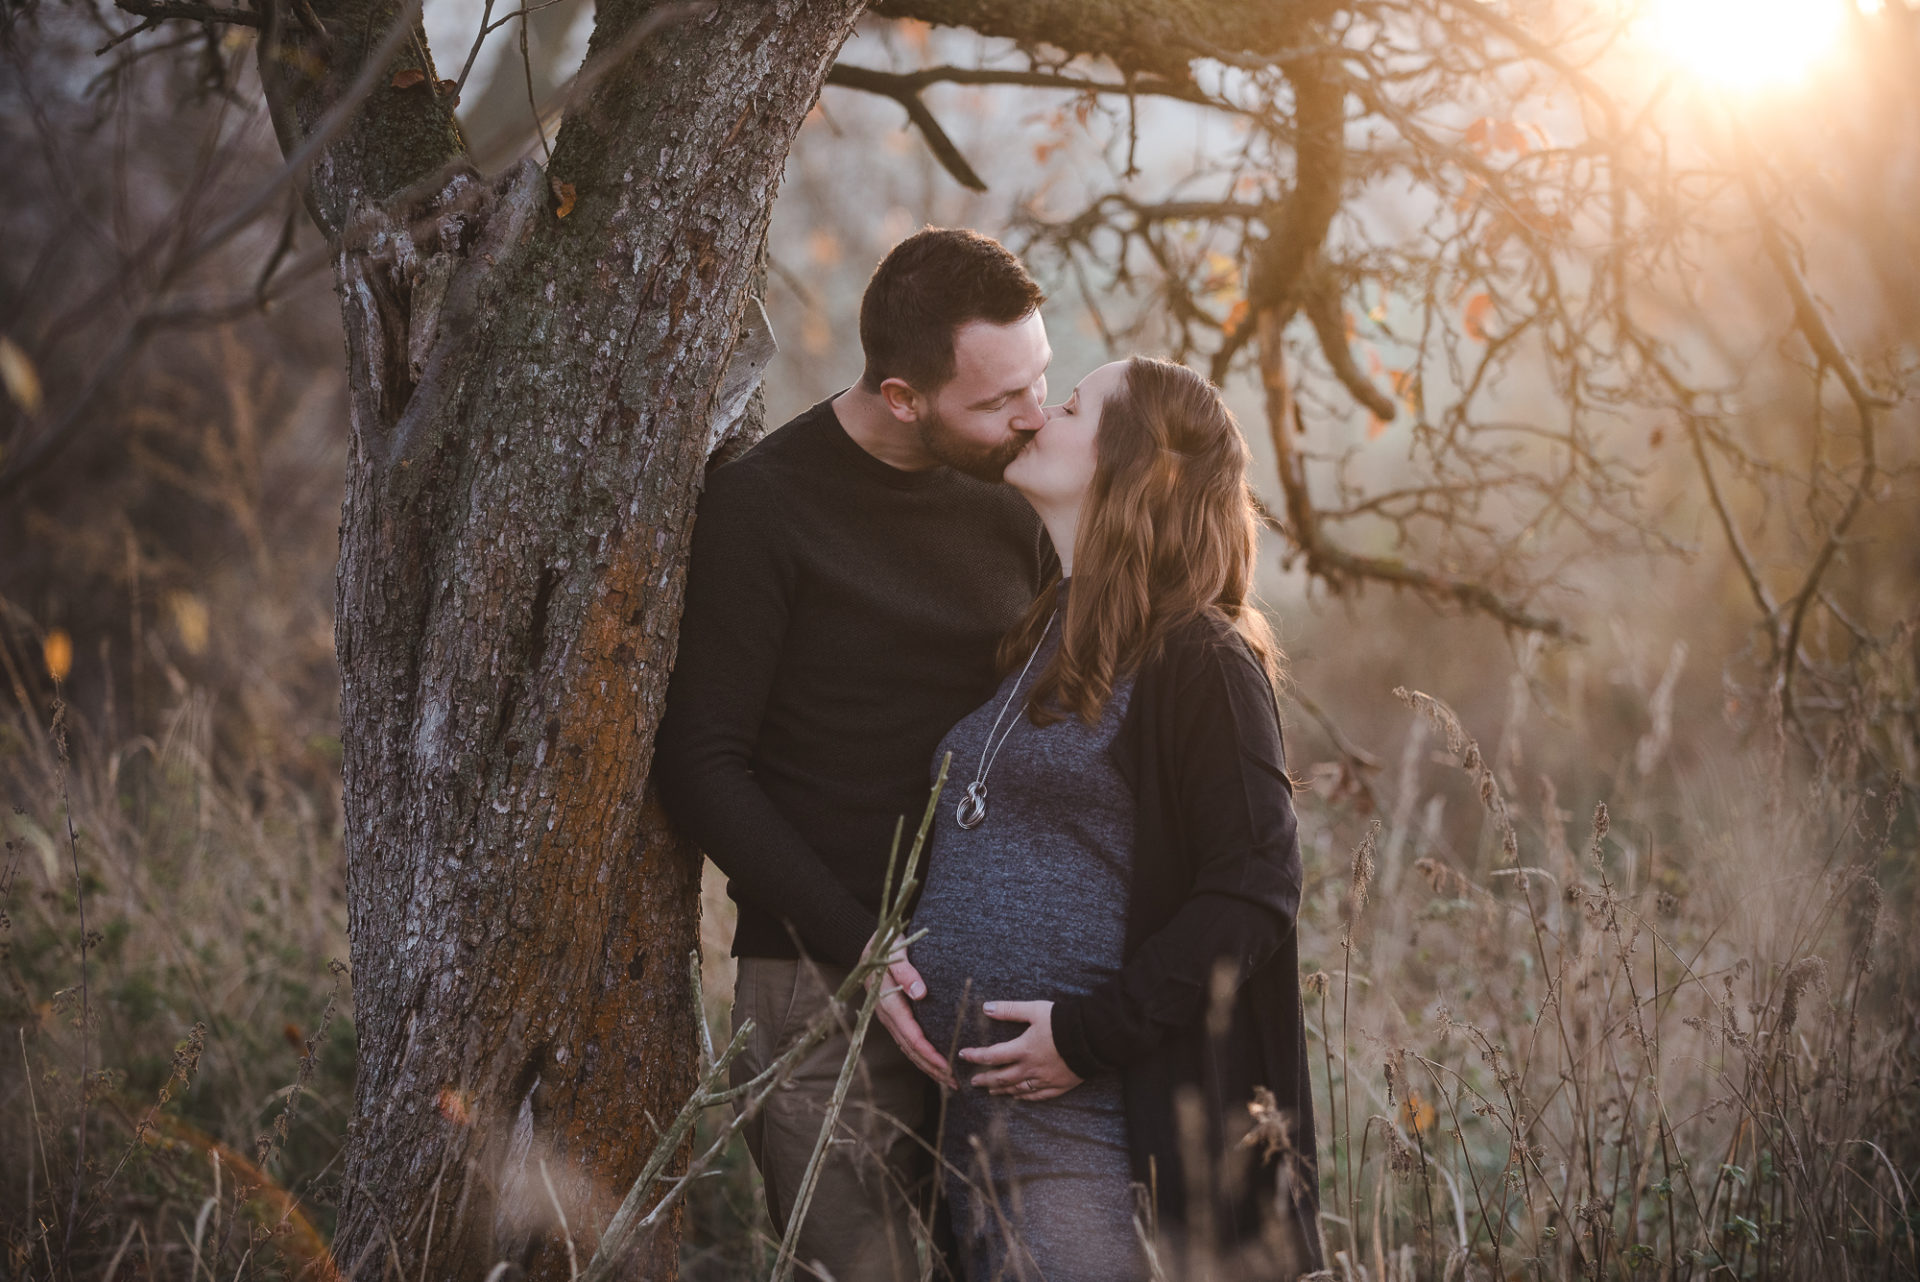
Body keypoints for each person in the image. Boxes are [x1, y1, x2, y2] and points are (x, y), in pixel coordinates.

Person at [653, 227, 1056, 1282]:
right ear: (902, 396)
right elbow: (702, 764)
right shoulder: (764, 508)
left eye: (1041, 379)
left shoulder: (1020, 494)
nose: (1034, 415)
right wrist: (866, 952)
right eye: (998, 399)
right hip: (821, 989)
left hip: (998, 980)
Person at [882, 357, 1324, 1280]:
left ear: (1143, 466)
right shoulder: (1045, 631)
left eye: (1072, 405)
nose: (1039, 415)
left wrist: (1091, 1037)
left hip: (1097, 1132)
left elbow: (1256, 887)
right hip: (976, 1130)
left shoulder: (1201, 657)